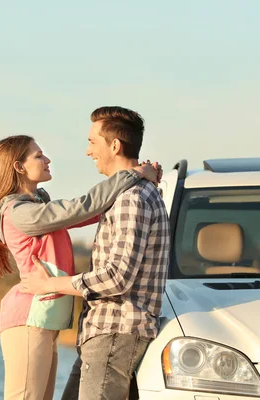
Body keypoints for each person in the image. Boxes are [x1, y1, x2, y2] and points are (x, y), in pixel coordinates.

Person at [0, 134, 161, 400]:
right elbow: (81, 207)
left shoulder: (37, 209)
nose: (47, 159)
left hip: (44, 321)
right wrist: (132, 174)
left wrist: (145, 182)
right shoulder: (18, 212)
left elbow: (94, 210)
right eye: (38, 155)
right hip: (29, 318)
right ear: (18, 167)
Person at [20, 106, 171, 400]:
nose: (88, 152)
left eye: (92, 142)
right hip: (106, 333)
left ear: (114, 145)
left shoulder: (132, 199)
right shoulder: (133, 194)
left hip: (115, 332)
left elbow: (117, 278)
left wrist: (49, 285)